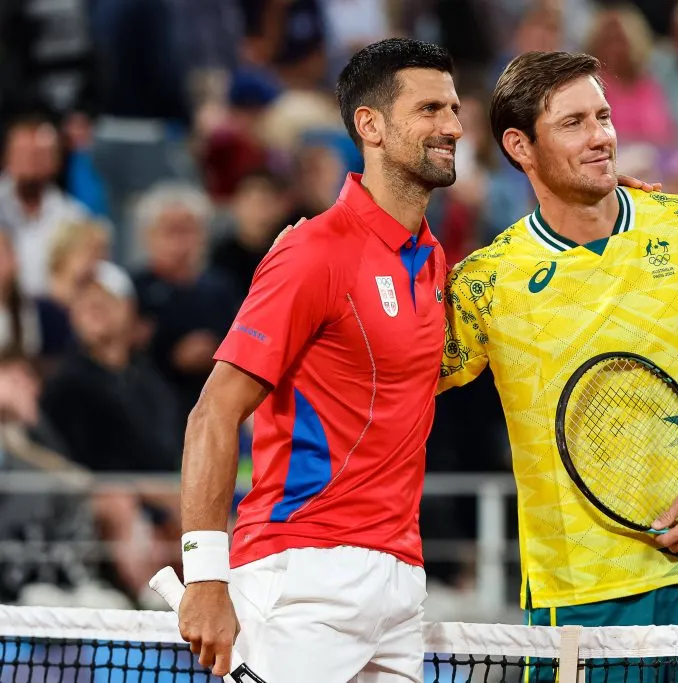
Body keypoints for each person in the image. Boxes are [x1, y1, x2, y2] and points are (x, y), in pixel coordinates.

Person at [438, 50, 678, 672]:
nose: (601, 136)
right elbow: (396, 383)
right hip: (574, 608)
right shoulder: (487, 282)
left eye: (603, 116)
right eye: (573, 123)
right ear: (520, 146)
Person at [175, 38, 461, 682]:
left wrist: (610, 208)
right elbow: (213, 413)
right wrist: (206, 576)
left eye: (454, 107)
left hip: (400, 585)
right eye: (429, 109)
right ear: (371, 126)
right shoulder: (312, 252)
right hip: (302, 572)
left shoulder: (435, 260)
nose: (453, 125)